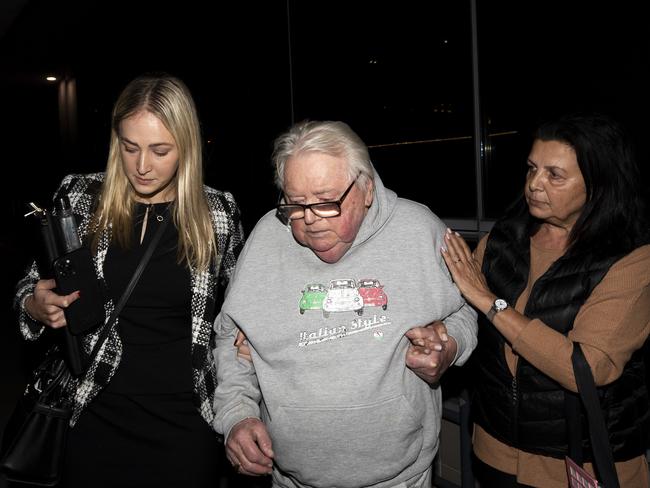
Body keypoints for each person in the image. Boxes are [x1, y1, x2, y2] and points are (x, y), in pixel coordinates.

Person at [213, 120, 478, 488]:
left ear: (367, 188)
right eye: (295, 204)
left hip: (401, 479)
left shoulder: (420, 231)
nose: (310, 221)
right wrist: (237, 416)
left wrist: (449, 345)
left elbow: (465, 308)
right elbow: (231, 340)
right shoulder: (265, 242)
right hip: (293, 480)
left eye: (326, 202)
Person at [13, 74, 244, 487]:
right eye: (129, 147)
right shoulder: (81, 197)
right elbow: (30, 285)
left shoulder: (218, 214)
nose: (142, 165)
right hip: (93, 411)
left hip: (185, 421)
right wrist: (35, 304)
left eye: (160, 151)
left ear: (186, 146)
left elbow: (239, 309)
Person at [441, 113, 650, 487]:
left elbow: (586, 367)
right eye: (532, 168)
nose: (534, 185)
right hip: (494, 449)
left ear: (598, 183)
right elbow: (460, 307)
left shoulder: (631, 259)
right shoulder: (506, 237)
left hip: (579, 465)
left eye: (555, 175)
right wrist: (437, 335)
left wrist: (491, 303)